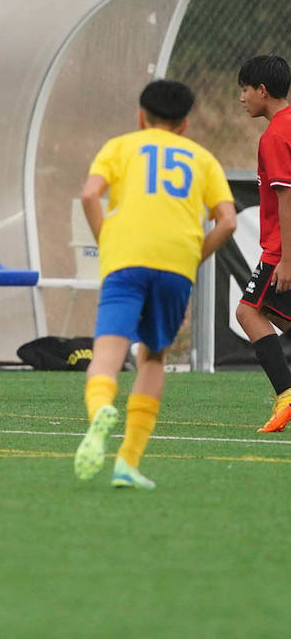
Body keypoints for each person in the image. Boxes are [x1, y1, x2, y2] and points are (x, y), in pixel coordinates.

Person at [73, 80, 235, 488]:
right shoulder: (202, 158)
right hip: (175, 264)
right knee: (154, 356)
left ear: (140, 115)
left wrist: (106, 241)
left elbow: (90, 195)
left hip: (125, 259)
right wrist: (192, 257)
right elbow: (229, 221)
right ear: (184, 124)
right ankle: (127, 462)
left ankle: (99, 413)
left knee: (107, 354)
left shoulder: (120, 146)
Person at [234, 54, 291, 431]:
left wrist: (286, 259)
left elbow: (286, 198)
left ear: (263, 91)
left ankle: (286, 397)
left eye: (245, 89)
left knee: (248, 313)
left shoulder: (274, 135)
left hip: (281, 249)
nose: (241, 98)